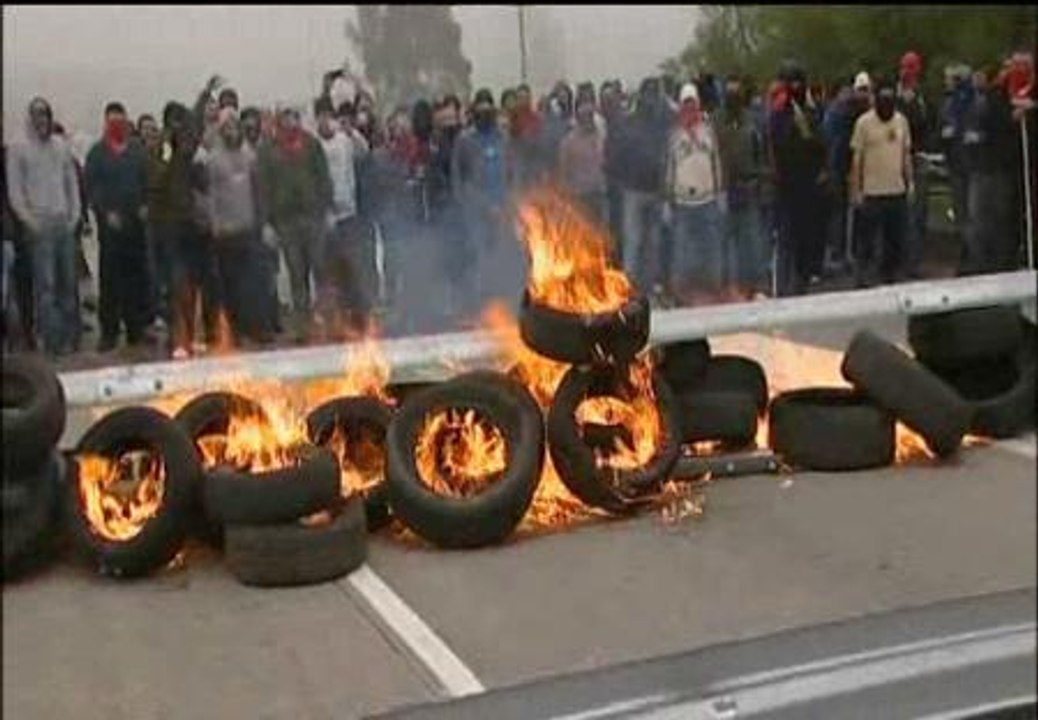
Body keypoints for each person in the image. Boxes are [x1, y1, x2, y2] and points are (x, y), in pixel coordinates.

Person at [5, 97, 82, 357]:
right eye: (37, 115)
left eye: (46, 115)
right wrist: (29, 221)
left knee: (68, 284)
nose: (42, 121)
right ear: (30, 118)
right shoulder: (18, 148)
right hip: (38, 224)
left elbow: (71, 183)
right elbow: (15, 190)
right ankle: (53, 342)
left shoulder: (60, 147)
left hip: (63, 222)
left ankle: (73, 339)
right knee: (45, 287)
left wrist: (74, 216)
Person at [257, 106, 333, 343]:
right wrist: (266, 223)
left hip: (313, 217)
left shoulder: (311, 144)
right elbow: (264, 187)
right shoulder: (268, 150)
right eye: (287, 119)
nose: (292, 123)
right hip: (286, 221)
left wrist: (328, 209)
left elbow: (323, 176)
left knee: (321, 270)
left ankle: (329, 322)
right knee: (296, 275)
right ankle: (303, 327)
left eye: (295, 118)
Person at [84, 101, 150, 352]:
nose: (117, 126)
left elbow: (146, 182)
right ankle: (109, 332)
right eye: (113, 123)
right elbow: (91, 187)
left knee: (136, 278)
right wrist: (105, 211)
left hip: (136, 225)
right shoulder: (97, 153)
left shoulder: (136, 151)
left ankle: (136, 328)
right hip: (111, 228)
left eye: (121, 122)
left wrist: (145, 204)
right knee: (110, 281)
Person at [147, 101, 208, 359]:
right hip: (169, 227)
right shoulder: (163, 151)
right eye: (177, 122)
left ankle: (191, 337)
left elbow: (200, 184)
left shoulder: (187, 155)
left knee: (192, 285)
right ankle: (178, 340)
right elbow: (156, 183)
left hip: (190, 227)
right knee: (176, 285)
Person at [204, 111, 269, 345]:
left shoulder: (249, 155)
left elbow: (258, 189)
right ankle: (235, 331)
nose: (232, 131)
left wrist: (263, 221)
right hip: (226, 231)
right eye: (227, 127)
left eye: (235, 126)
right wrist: (214, 224)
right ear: (221, 131)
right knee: (230, 285)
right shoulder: (213, 159)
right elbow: (210, 197)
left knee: (253, 281)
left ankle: (257, 328)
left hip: (248, 228)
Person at [314, 96, 373, 336]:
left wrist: (353, 132)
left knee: (354, 267)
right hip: (326, 218)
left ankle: (359, 317)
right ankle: (335, 323)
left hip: (349, 213)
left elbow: (363, 151)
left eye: (329, 116)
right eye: (321, 116)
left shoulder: (345, 140)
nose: (326, 121)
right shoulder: (313, 144)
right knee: (330, 272)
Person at [451, 88, 515, 308]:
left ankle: (501, 297)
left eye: (489, 108)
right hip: (475, 208)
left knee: (499, 253)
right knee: (478, 254)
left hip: (501, 206)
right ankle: (479, 302)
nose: (485, 113)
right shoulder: (465, 140)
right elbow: (459, 177)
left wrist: (508, 202)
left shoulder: (503, 138)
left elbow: (511, 172)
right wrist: (472, 203)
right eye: (481, 108)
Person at [769, 60, 827, 296]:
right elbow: (776, 142)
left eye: (799, 82)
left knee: (806, 237)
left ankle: (802, 281)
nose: (796, 87)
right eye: (791, 82)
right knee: (785, 239)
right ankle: (781, 287)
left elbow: (820, 142)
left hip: (809, 183)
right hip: (786, 184)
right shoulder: (778, 111)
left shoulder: (812, 111)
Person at [959, 64, 1024, 274]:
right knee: (981, 219)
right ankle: (980, 263)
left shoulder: (997, 100)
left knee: (993, 218)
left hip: (995, 168)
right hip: (983, 167)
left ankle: (994, 263)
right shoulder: (979, 101)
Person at [849, 79, 913, 287]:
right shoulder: (863, 123)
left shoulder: (901, 121)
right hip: (872, 190)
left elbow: (906, 154)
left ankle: (889, 274)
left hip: (896, 188)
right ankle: (862, 274)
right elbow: (857, 159)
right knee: (866, 238)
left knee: (894, 238)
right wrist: (856, 189)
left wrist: (909, 181)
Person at [664, 83, 725, 301]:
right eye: (686, 103)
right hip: (682, 202)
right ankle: (681, 290)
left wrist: (720, 194)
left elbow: (716, 162)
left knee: (712, 247)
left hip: (707, 199)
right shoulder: (674, 136)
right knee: (682, 250)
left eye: (693, 103)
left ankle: (714, 286)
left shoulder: (709, 131)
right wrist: (667, 201)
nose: (690, 108)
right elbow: (669, 168)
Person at [619, 77, 672, 297]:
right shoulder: (630, 122)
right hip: (634, 189)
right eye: (648, 95)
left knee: (652, 242)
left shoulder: (662, 123)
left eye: (654, 95)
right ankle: (629, 287)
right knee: (634, 241)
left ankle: (649, 288)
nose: (651, 100)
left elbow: (667, 154)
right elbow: (620, 156)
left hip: (655, 189)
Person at [718, 76, 769, 295]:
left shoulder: (754, 122)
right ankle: (732, 286)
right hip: (725, 191)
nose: (733, 101)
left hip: (749, 188)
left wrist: (762, 178)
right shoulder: (717, 122)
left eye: (736, 96)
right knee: (728, 245)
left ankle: (755, 285)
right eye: (730, 96)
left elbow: (764, 154)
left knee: (752, 241)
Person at [823, 72, 873, 273]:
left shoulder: (841, 109)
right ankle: (841, 254)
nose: (863, 95)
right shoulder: (848, 112)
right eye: (861, 90)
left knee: (846, 212)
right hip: (840, 166)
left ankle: (844, 253)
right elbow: (842, 143)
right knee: (842, 212)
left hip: (844, 166)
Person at [896, 50, 934, 277]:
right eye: (905, 67)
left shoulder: (922, 95)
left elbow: (928, 123)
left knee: (919, 212)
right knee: (905, 212)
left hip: (919, 156)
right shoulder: (897, 98)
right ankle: (903, 261)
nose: (908, 72)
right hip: (899, 159)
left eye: (912, 67)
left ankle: (914, 261)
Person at [558, 93, 607, 225]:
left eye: (590, 116)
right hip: (578, 195)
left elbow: (605, 163)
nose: (588, 119)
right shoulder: (568, 141)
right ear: (578, 118)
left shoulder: (600, 137)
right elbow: (564, 170)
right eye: (584, 116)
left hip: (597, 193)